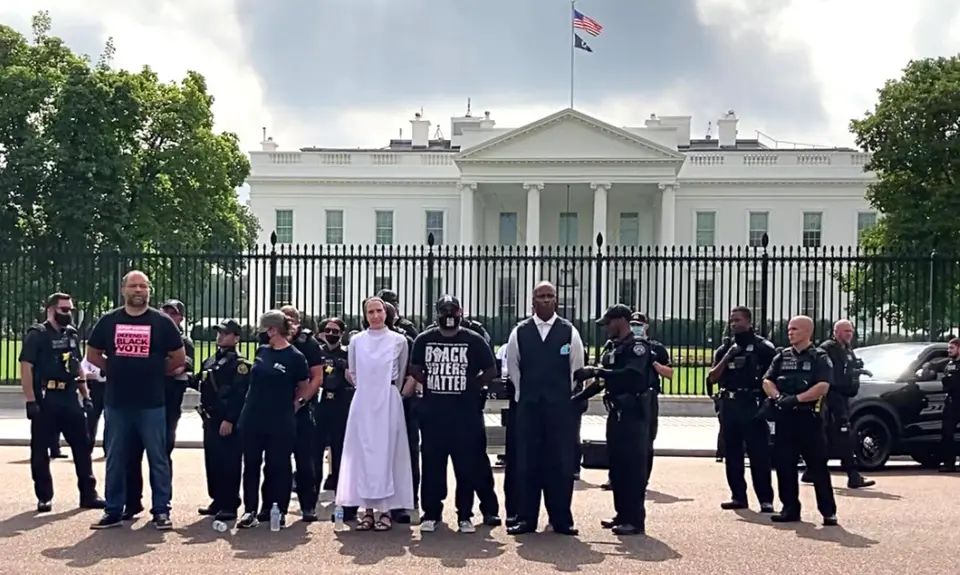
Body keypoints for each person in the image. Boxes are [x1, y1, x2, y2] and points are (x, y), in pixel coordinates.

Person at [86, 271, 185, 530]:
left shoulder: (162, 322)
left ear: (148, 291)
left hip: (152, 402)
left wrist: (155, 372)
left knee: (158, 458)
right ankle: (113, 510)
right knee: (115, 458)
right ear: (123, 290)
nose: (138, 290)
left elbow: (178, 356)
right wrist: (112, 368)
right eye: (133, 286)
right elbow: (92, 352)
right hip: (117, 402)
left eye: (143, 286)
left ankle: (162, 510)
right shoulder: (109, 321)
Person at [410, 295, 498, 534]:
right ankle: (432, 513)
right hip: (434, 416)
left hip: (466, 416)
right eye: (444, 310)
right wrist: (430, 381)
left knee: (466, 466)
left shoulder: (474, 340)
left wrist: (473, 384)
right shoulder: (425, 339)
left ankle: (464, 515)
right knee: (432, 466)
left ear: (461, 311)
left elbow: (491, 370)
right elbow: (414, 367)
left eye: (453, 309)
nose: (449, 314)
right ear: (437, 312)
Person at [504, 281, 585, 536]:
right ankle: (526, 519)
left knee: (560, 464)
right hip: (529, 408)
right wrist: (523, 393)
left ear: (557, 300)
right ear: (532, 301)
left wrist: (563, 396)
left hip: (559, 410)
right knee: (527, 464)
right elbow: (513, 368)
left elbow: (577, 368)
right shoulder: (520, 332)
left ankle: (561, 519)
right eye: (541, 296)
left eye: (550, 296)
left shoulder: (569, 331)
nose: (546, 300)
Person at [573, 304, 655, 535]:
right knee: (617, 466)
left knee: (632, 467)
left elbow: (632, 374)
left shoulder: (637, 347)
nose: (606, 328)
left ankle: (635, 520)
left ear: (621, 320)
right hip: (616, 412)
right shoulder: (613, 346)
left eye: (609, 323)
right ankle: (622, 514)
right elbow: (602, 383)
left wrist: (597, 371)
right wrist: (577, 399)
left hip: (634, 414)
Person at [19, 292, 105, 512]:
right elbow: (26, 367)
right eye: (64, 310)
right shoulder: (36, 334)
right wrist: (30, 400)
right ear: (51, 310)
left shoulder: (71, 334)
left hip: (68, 396)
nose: (68, 314)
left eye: (70, 310)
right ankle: (44, 496)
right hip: (47, 397)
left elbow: (76, 366)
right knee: (40, 450)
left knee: (83, 447)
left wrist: (85, 395)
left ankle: (88, 494)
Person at [336, 297, 416, 532]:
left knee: (387, 452)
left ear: (386, 313)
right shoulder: (356, 341)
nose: (375, 316)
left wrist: (389, 391)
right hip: (363, 401)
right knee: (363, 452)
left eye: (379, 311)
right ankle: (367, 511)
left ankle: (386, 510)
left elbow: (401, 372)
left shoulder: (399, 340)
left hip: (388, 400)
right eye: (370, 312)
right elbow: (352, 371)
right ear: (365, 315)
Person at [236, 310, 313, 529]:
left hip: (280, 420)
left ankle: (276, 507)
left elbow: (303, 386)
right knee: (251, 465)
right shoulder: (262, 351)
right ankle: (250, 509)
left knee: (277, 466)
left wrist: (294, 406)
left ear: (274, 329)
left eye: (266, 329)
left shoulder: (296, 357)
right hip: (253, 417)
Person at [761, 315, 838, 526]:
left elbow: (823, 386)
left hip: (809, 419)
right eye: (789, 329)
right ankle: (790, 508)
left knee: (817, 466)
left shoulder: (819, 357)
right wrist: (778, 397)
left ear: (807, 332)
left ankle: (828, 512)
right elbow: (767, 380)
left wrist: (797, 399)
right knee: (784, 464)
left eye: (795, 329)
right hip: (786, 419)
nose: (790, 332)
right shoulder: (782, 356)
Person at [123, 299, 195, 519]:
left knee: (161, 456)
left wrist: (151, 368)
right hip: (141, 401)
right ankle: (132, 502)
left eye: (173, 314)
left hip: (167, 407)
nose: (168, 316)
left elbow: (179, 367)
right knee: (131, 453)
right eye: (165, 312)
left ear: (180, 318)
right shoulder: (149, 335)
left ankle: (162, 505)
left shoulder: (183, 341)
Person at [706, 306, 776, 513]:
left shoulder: (763, 348)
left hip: (753, 406)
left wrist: (767, 404)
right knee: (733, 454)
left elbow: (773, 377)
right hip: (730, 405)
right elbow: (712, 378)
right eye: (731, 321)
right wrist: (728, 356)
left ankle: (766, 499)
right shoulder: (726, 348)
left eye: (738, 320)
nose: (734, 324)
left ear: (748, 322)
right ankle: (738, 496)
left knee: (759, 455)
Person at [600, 312, 672, 491]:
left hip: (646, 400)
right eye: (633, 323)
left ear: (646, 326)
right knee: (617, 444)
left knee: (644, 442)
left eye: (639, 324)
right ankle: (614, 479)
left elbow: (669, 373)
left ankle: (641, 480)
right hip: (620, 401)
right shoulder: (615, 345)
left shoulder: (654, 347)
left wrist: (652, 362)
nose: (636, 327)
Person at [196, 319, 251, 522]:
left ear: (236, 338)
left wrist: (230, 419)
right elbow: (201, 382)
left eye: (226, 333)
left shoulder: (240, 365)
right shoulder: (211, 361)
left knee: (229, 462)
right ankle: (217, 499)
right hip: (209, 418)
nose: (220, 336)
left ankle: (230, 503)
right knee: (212, 461)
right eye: (219, 332)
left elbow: (239, 395)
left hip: (226, 420)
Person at [812, 320, 876, 488]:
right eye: (846, 331)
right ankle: (852, 475)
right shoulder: (828, 348)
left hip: (843, 397)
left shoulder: (847, 349)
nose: (849, 334)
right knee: (842, 433)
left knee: (831, 435)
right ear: (836, 332)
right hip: (831, 397)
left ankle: (811, 471)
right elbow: (830, 373)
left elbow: (849, 368)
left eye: (850, 331)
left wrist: (856, 369)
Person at [280, 305, 324, 522]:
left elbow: (317, 377)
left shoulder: (309, 343)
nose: (288, 322)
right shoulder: (270, 340)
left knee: (305, 460)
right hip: (278, 410)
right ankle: (277, 505)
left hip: (302, 408)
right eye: (283, 318)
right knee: (278, 460)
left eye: (291, 318)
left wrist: (300, 400)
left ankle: (308, 506)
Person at [382, 301, 421, 525]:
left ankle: (405, 500)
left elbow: (414, 371)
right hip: (379, 401)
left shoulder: (405, 340)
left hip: (403, 402)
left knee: (406, 451)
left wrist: (400, 395)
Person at [918, 337, 960, 472]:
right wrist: (926, 367)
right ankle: (949, 463)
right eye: (948, 348)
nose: (949, 351)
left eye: (952, 348)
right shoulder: (949, 363)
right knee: (947, 432)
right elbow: (933, 365)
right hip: (952, 401)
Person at [80, 355, 107, 455]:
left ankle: (108, 449)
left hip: (110, 386)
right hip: (96, 387)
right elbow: (82, 369)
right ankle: (88, 447)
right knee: (92, 419)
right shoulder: (90, 356)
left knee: (110, 420)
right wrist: (89, 374)